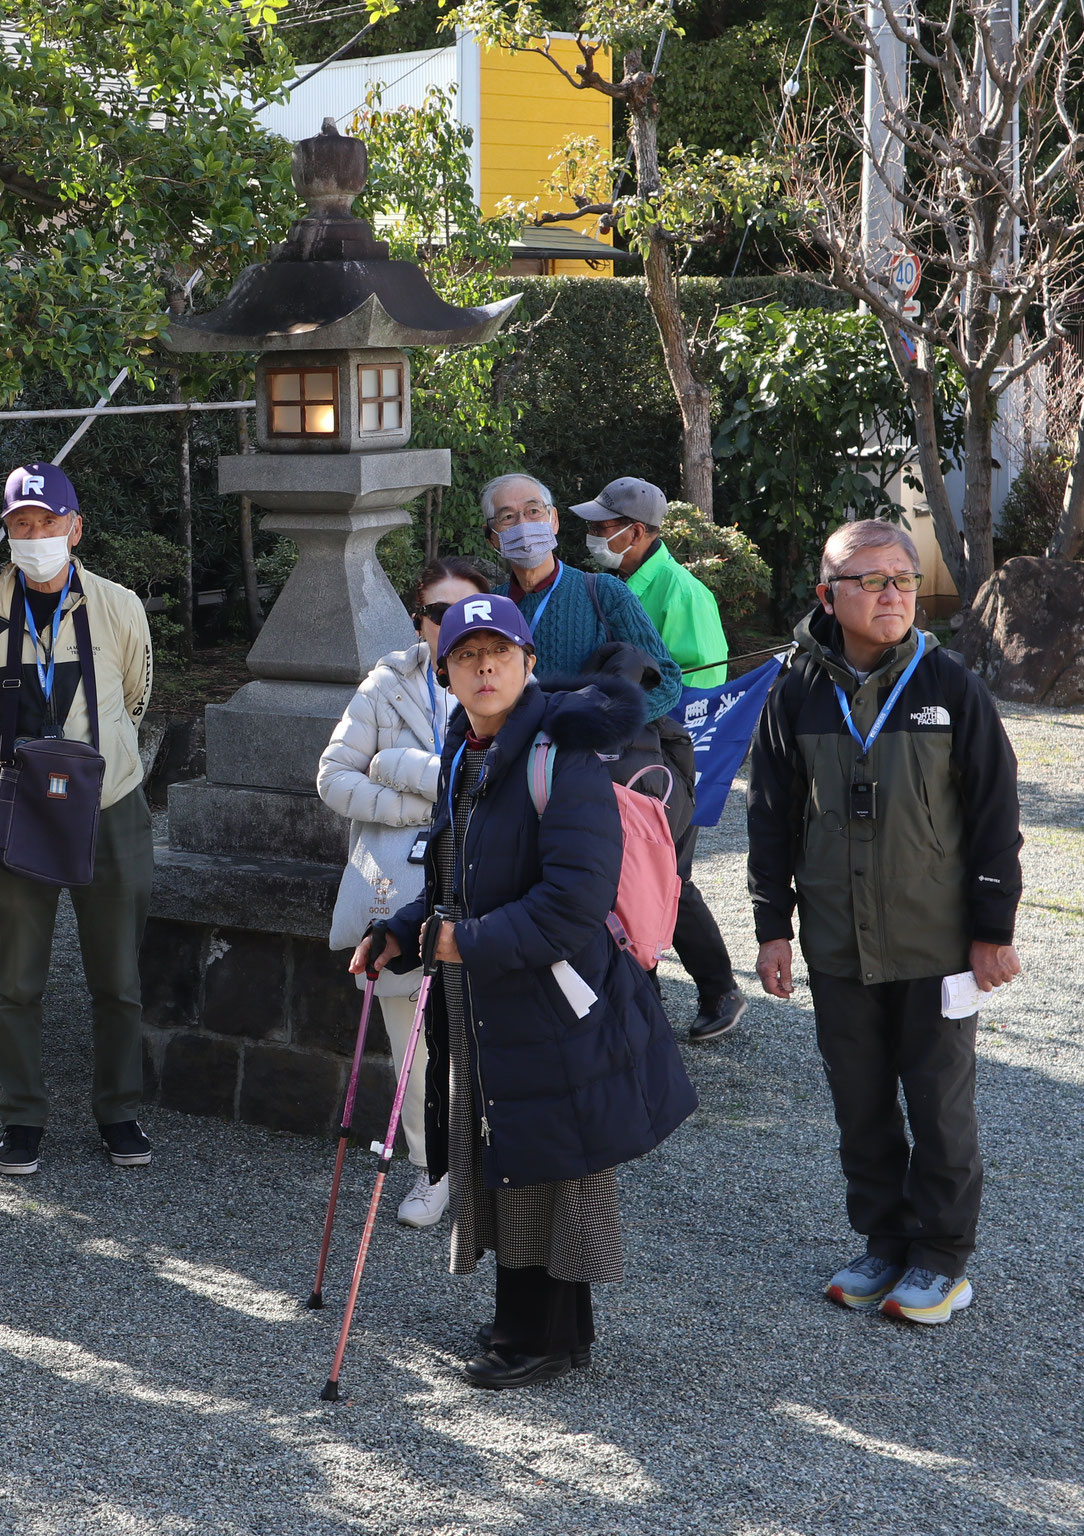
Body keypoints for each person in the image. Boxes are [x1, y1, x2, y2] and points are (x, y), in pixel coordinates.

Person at [349, 594, 695, 1390]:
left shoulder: (560, 756)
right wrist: (405, 928)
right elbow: (456, 871)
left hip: (552, 995)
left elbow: (574, 900)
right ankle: (549, 1331)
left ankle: (533, 1336)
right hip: (497, 995)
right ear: (447, 674)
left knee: (547, 1161)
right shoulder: (465, 749)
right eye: (467, 656)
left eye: (499, 652)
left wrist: (462, 942)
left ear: (530, 662)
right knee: (513, 1152)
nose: (484, 667)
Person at [748, 519, 1023, 1326]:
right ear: (827, 595)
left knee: (939, 1106)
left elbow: (995, 814)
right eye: (870, 580)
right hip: (839, 944)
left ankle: (942, 1258)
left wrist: (992, 929)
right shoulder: (797, 688)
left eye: (903, 579)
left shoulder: (949, 686)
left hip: (937, 946)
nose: (892, 594)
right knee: (860, 1103)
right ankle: (883, 1240)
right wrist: (774, 927)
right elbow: (770, 817)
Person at [0, 462, 155, 1178]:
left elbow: (134, 697)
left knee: (119, 977)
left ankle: (120, 1109)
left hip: (110, 804)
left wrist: (91, 762)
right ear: (7, 533)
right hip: (19, 811)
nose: (35, 536)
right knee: (17, 980)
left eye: (48, 522)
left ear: (76, 527)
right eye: (21, 525)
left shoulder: (119, 605)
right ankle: (22, 1117)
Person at [317, 556, 491, 1229]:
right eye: (437, 614)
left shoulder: (503, 674)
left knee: (485, 1026)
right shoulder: (387, 684)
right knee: (411, 1039)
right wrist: (418, 805)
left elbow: (490, 778)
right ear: (419, 622)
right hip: (397, 878)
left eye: (464, 610)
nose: (450, 626)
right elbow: (333, 778)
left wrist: (407, 769)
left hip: (479, 880)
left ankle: (491, 1161)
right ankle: (431, 1167)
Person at [572, 476, 745, 1044]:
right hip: (615, 751)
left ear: (636, 532)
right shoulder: (607, 583)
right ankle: (641, 991)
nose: (594, 536)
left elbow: (702, 691)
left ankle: (720, 987)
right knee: (621, 875)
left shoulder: (683, 592)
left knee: (670, 874)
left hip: (663, 759)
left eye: (602, 527)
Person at [479, 473, 681, 722]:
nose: (523, 524)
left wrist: (601, 722)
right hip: (513, 754)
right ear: (492, 537)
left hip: (590, 755)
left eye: (533, 511)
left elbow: (667, 680)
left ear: (554, 520)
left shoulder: (604, 592)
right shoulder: (488, 609)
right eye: (507, 517)